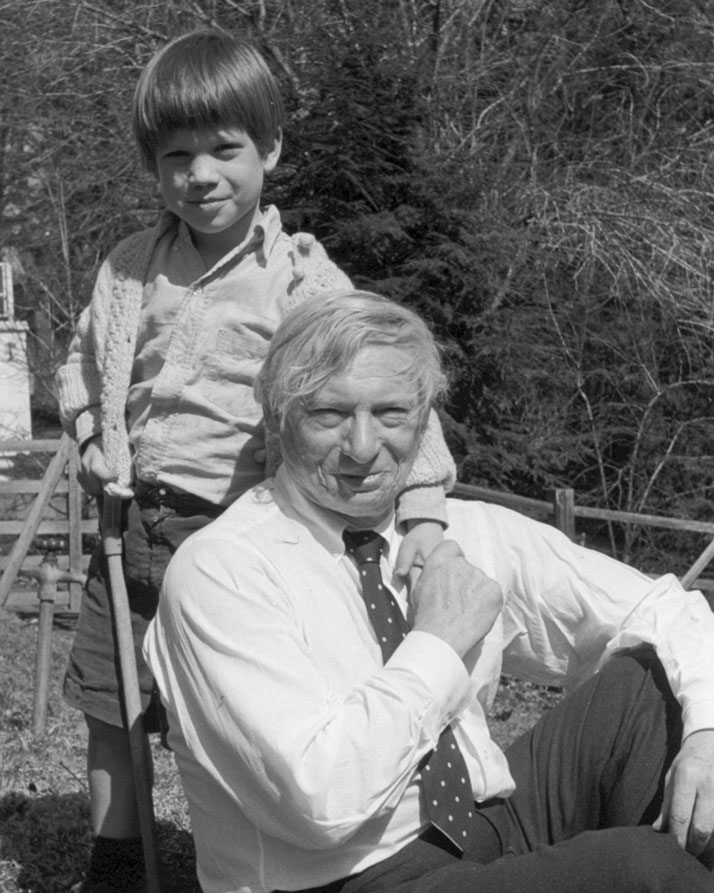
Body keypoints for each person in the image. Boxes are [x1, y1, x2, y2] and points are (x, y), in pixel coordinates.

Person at [144, 289, 714, 893]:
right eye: (329, 415)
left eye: (391, 414)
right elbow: (319, 803)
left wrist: (705, 735)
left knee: (652, 692)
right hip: (342, 876)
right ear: (279, 418)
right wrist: (438, 640)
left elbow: (664, 606)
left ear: (423, 421)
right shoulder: (223, 569)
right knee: (641, 872)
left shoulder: (462, 532)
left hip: (480, 824)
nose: (363, 447)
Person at [56, 33, 454, 893]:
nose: (199, 174)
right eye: (175, 156)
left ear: (269, 150)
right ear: (151, 165)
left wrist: (423, 509)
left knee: (223, 712)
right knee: (110, 700)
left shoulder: (301, 282)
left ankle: (231, 859)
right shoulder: (130, 269)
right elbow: (87, 364)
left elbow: (379, 373)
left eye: (224, 150)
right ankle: (115, 858)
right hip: (131, 526)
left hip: (231, 536)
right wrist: (91, 435)